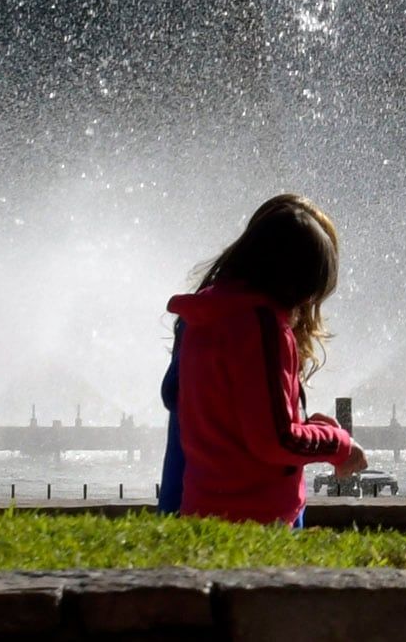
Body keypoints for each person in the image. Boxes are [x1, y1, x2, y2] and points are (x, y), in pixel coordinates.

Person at [156, 194, 366, 522]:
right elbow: (272, 440)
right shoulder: (262, 329)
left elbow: (235, 422)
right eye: (311, 289)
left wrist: (304, 426)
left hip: (197, 506)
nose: (307, 304)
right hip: (256, 514)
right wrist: (336, 442)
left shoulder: (205, 316)